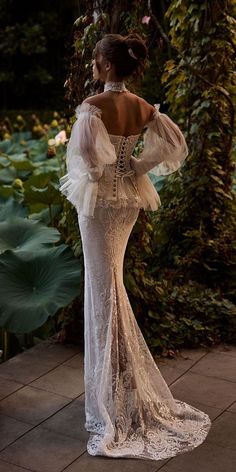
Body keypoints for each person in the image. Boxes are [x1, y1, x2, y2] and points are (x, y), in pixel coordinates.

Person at [59, 33, 212, 461]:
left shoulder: (93, 106)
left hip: (98, 205)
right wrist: (137, 165)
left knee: (103, 291)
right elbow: (175, 143)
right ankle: (118, 388)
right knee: (111, 287)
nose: (93, 66)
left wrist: (107, 166)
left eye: (95, 61)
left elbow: (87, 160)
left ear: (107, 66)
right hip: (127, 202)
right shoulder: (143, 107)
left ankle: (115, 397)